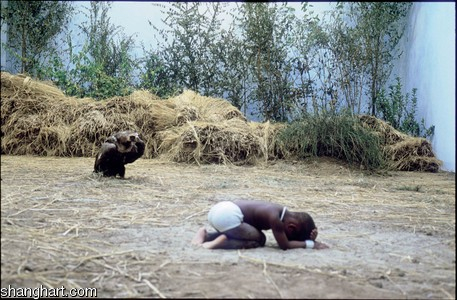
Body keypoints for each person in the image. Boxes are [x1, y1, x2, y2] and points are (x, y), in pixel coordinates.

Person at [191, 200, 329, 250]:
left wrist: (309, 238)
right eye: (293, 236)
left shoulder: (279, 210)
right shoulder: (276, 219)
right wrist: (310, 244)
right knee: (259, 240)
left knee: (246, 233)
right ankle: (219, 243)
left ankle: (206, 235)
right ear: (291, 227)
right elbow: (285, 245)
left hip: (220, 209)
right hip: (228, 216)